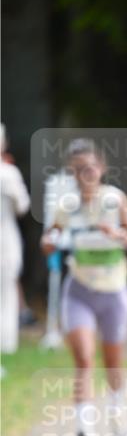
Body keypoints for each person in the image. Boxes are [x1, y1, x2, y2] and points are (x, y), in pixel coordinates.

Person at [41, 139, 127, 436]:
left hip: (114, 292)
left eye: (89, 168)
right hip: (79, 292)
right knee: (84, 359)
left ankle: (116, 415)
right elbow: (49, 239)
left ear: (101, 168)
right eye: (76, 170)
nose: (84, 175)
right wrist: (50, 241)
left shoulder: (115, 200)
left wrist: (120, 236)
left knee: (112, 361)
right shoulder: (65, 204)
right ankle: (84, 431)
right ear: (70, 173)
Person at [0, 124, 31, 359]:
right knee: (7, 292)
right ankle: (6, 344)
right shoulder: (8, 173)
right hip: (5, 237)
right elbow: (22, 206)